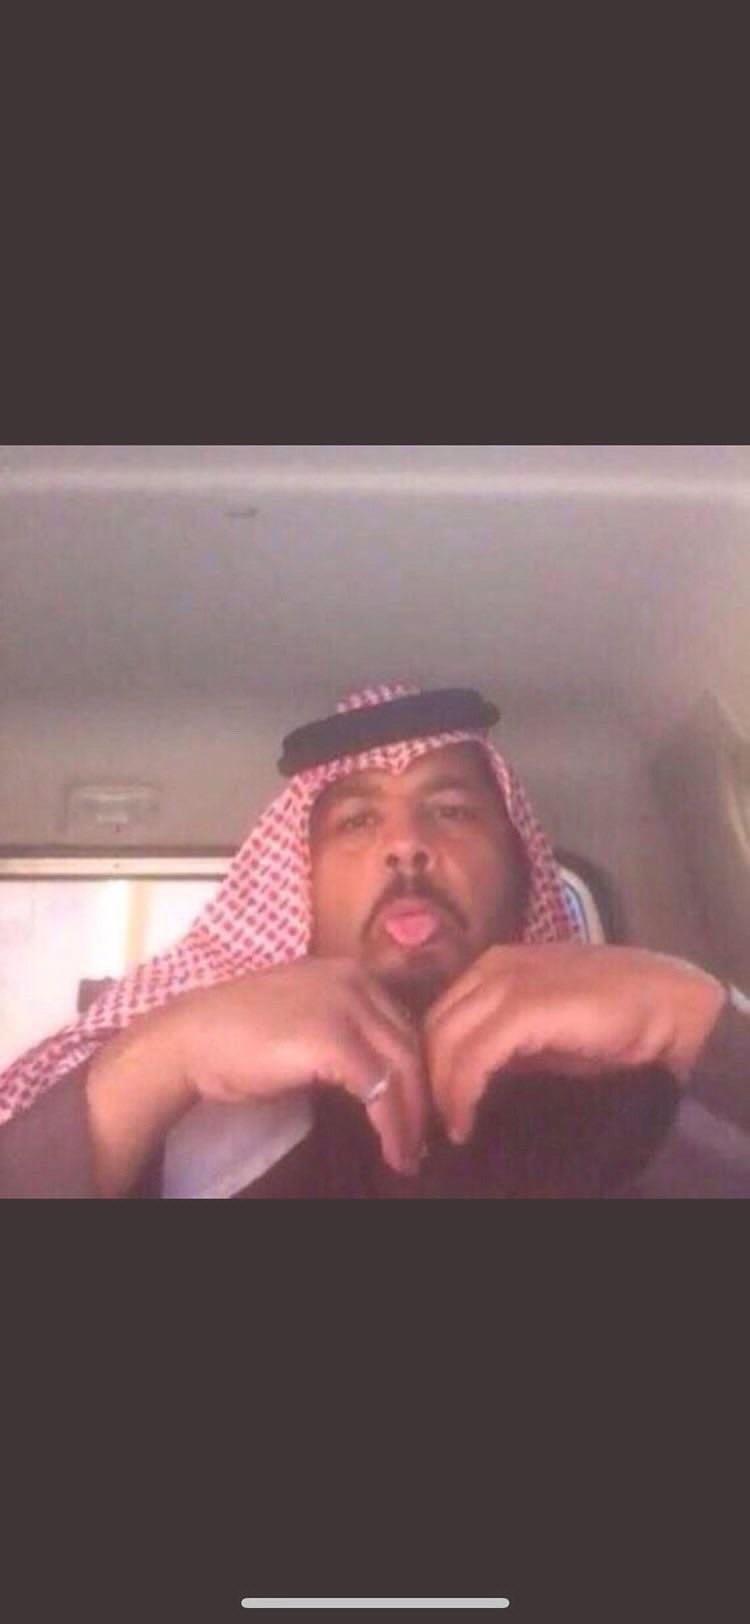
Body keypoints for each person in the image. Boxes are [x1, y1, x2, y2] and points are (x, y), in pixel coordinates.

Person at [1, 682, 748, 1199]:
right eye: (357, 821)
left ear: (522, 870)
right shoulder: (177, 1124)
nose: (405, 844)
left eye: (451, 810)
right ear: (298, 886)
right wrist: (159, 1059)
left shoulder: (642, 1107)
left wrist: (694, 1021)